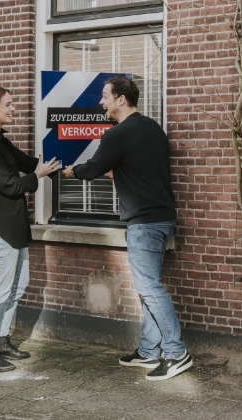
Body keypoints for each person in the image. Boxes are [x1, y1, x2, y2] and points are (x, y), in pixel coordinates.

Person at [62, 76, 193, 381]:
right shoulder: (153, 129)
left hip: (144, 223)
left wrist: (72, 172)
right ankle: (149, 350)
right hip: (163, 217)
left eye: (105, 96)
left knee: (149, 287)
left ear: (121, 99)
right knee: (150, 287)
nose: (101, 102)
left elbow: (94, 168)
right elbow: (141, 170)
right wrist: (119, 174)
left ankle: (176, 353)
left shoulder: (116, 135)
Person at [0, 80, 60, 372]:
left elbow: (28, 162)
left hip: (13, 226)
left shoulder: (0, 141)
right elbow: (10, 185)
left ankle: (0, 340)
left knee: (17, 284)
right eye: (8, 104)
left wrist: (66, 163)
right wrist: (39, 175)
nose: (13, 108)